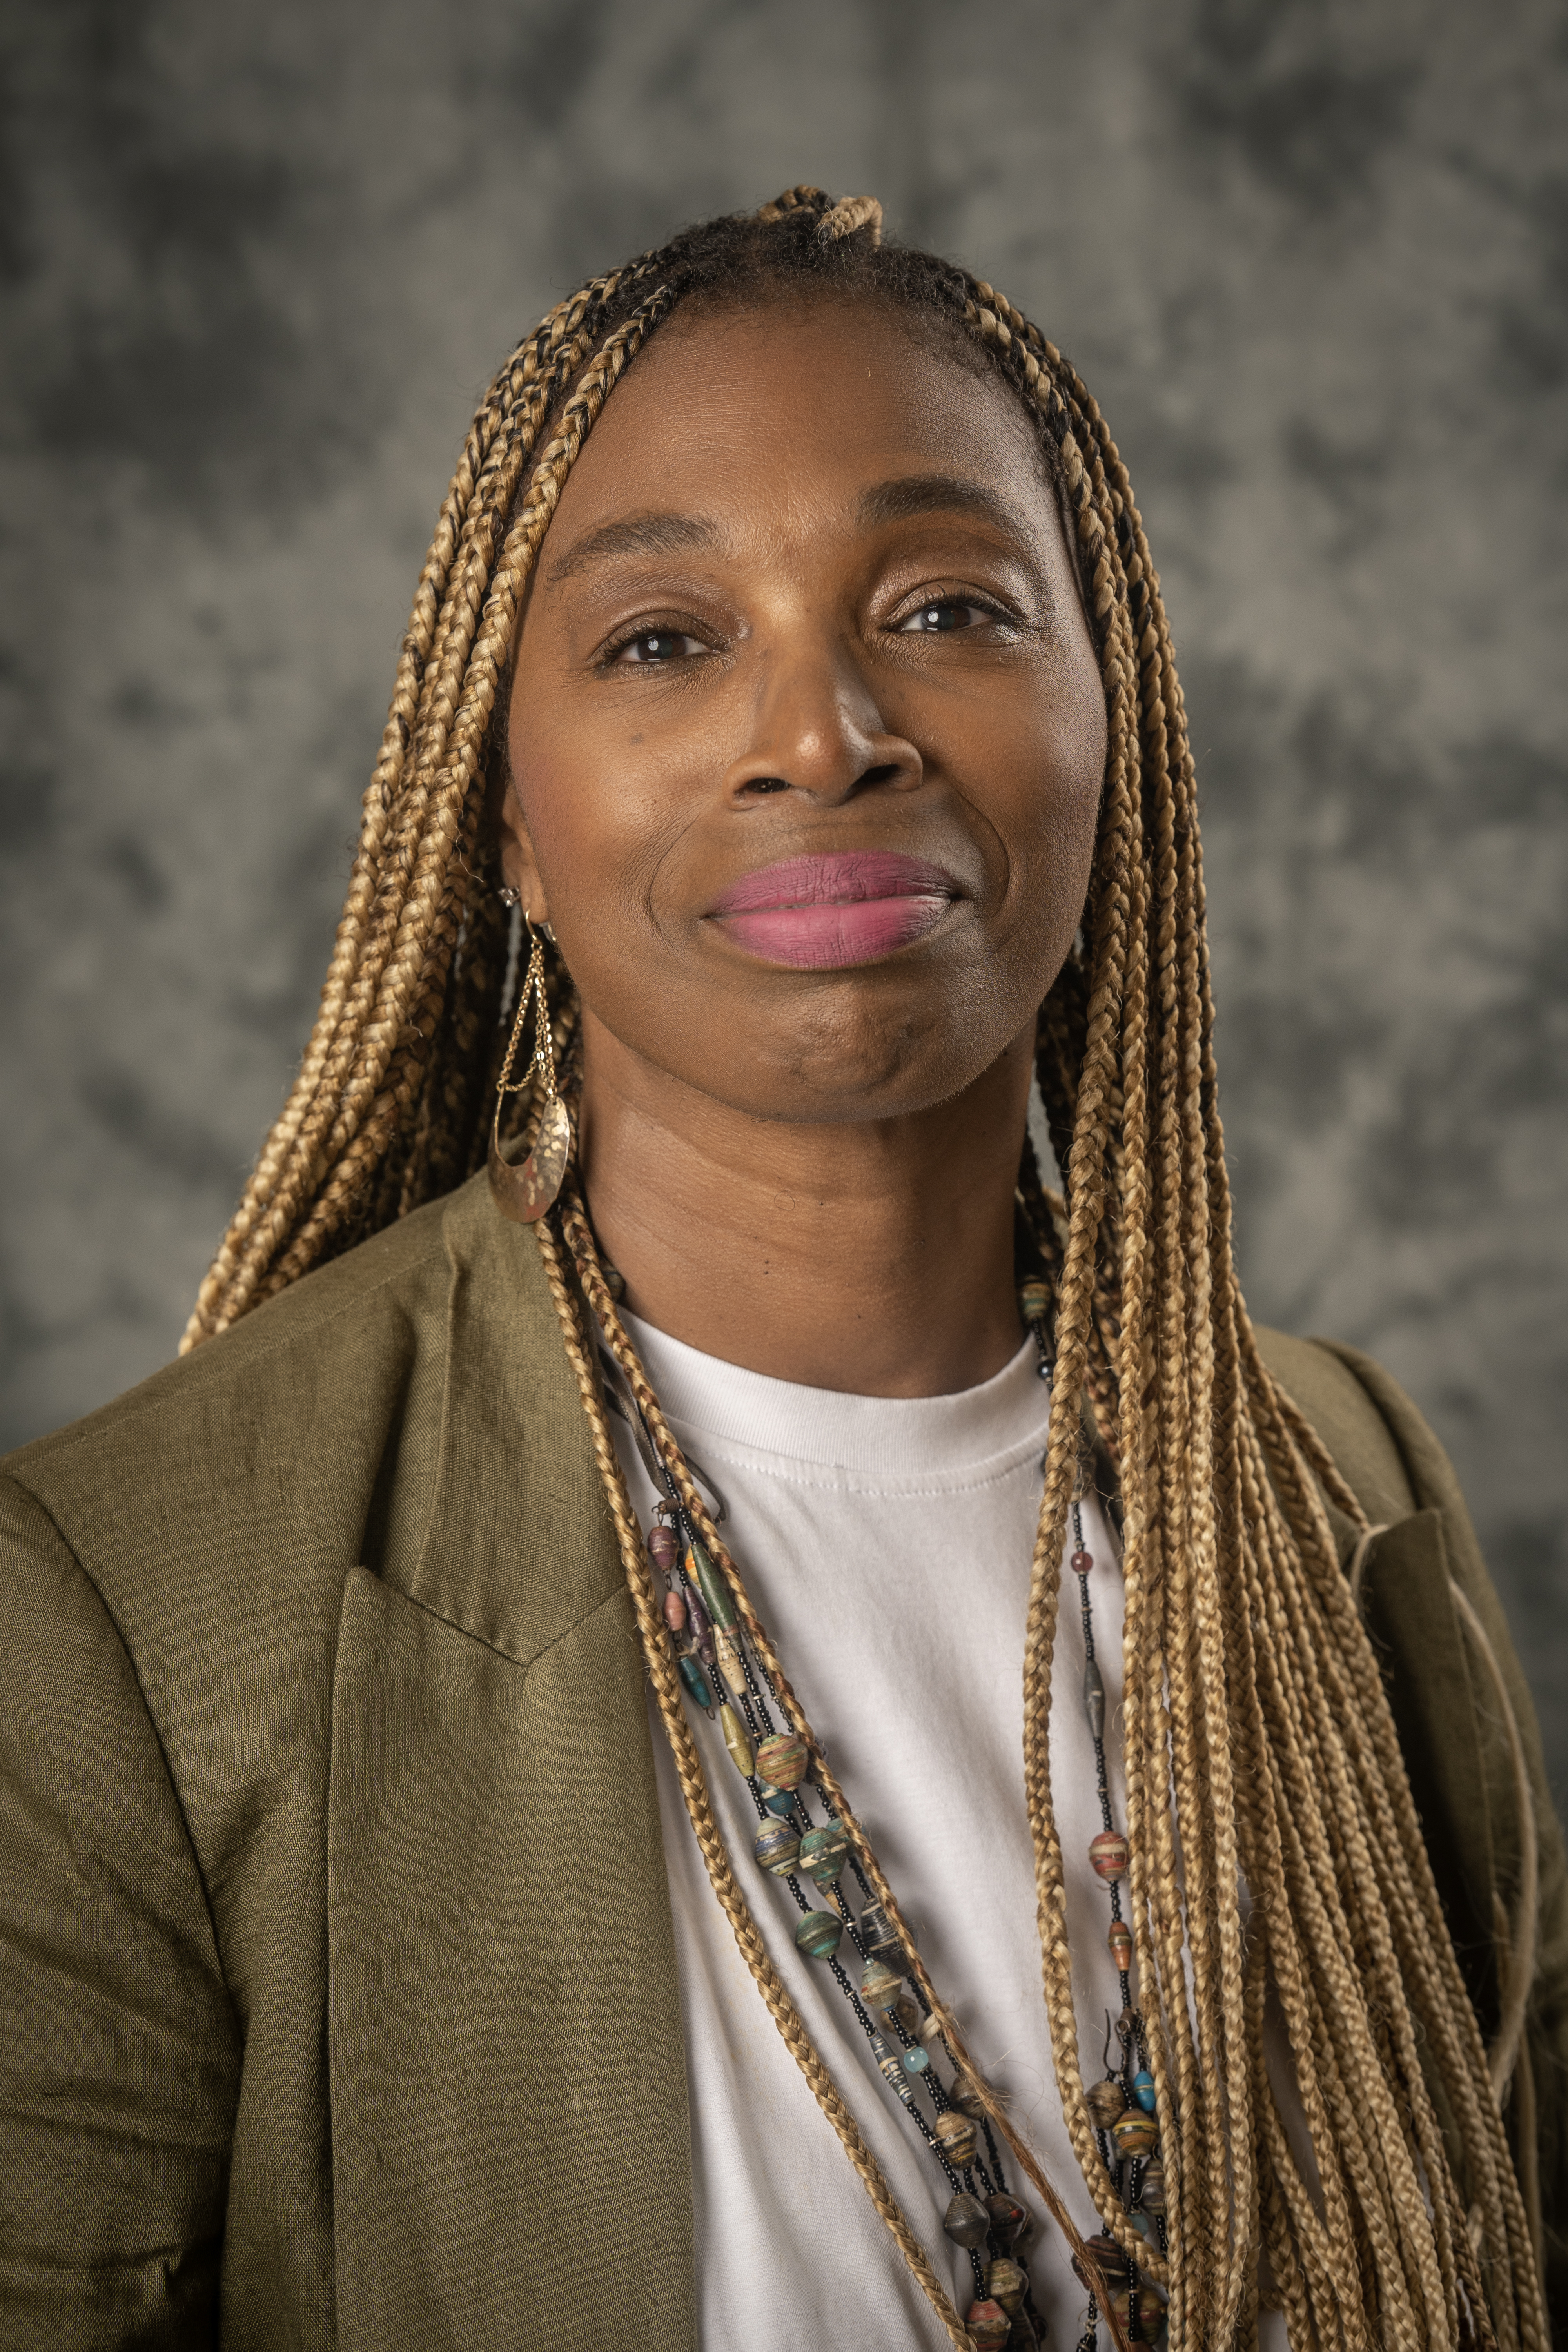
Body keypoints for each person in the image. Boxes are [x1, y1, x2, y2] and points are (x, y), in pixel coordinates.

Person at [0, 185, 1560, 2352]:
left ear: (1120, 736)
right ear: (511, 826)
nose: (825, 733)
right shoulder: (124, 1617)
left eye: (946, 606)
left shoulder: (1335, 1475)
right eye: (663, 640)